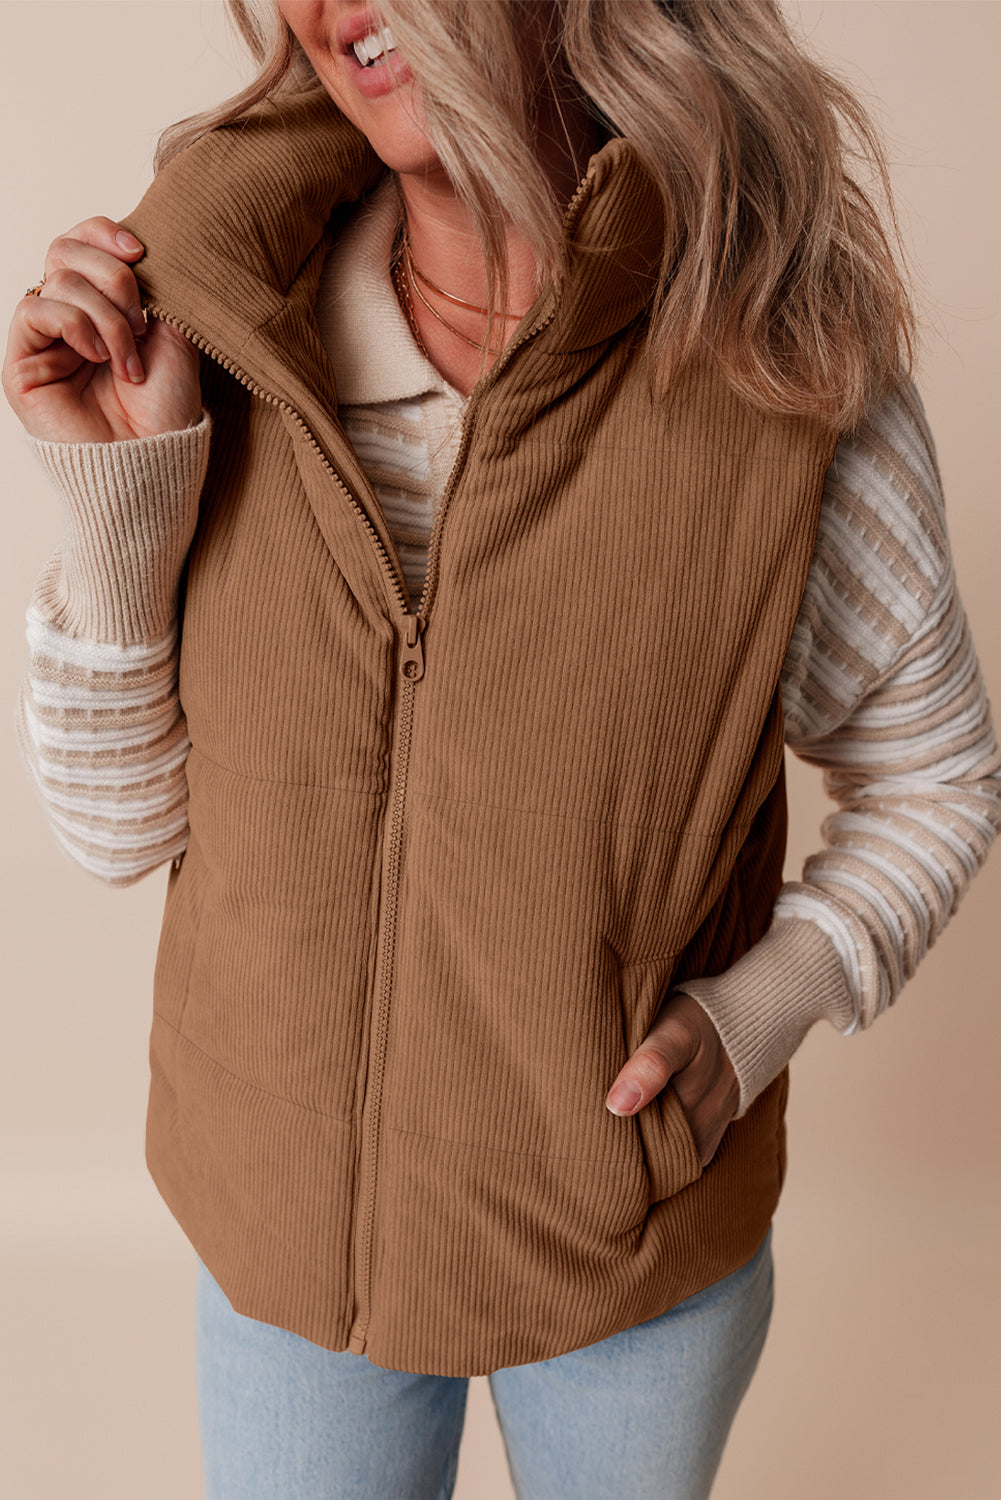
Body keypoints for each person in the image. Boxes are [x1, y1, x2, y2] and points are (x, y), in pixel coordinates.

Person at [5, 1, 999, 1496]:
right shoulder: (217, 325)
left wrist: (759, 1016)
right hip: (283, 1237)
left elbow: (934, 774)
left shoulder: (773, 373)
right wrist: (120, 482)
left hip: (627, 1246)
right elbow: (116, 836)